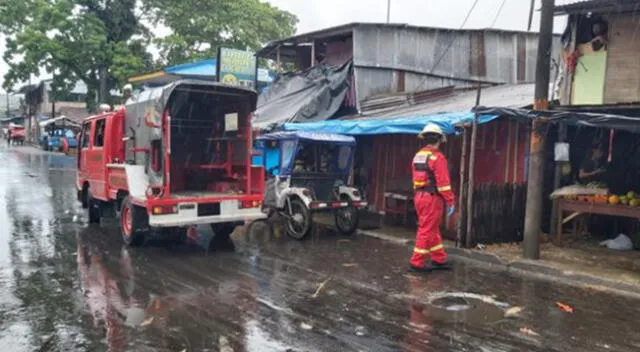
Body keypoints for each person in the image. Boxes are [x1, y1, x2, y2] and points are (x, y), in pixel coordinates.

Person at [409, 124, 455, 273]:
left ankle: (439, 258)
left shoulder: (418, 155)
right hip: (432, 198)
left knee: (431, 228)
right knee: (426, 229)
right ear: (439, 139)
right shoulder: (438, 157)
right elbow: (443, 183)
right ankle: (416, 262)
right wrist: (450, 200)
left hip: (419, 196)